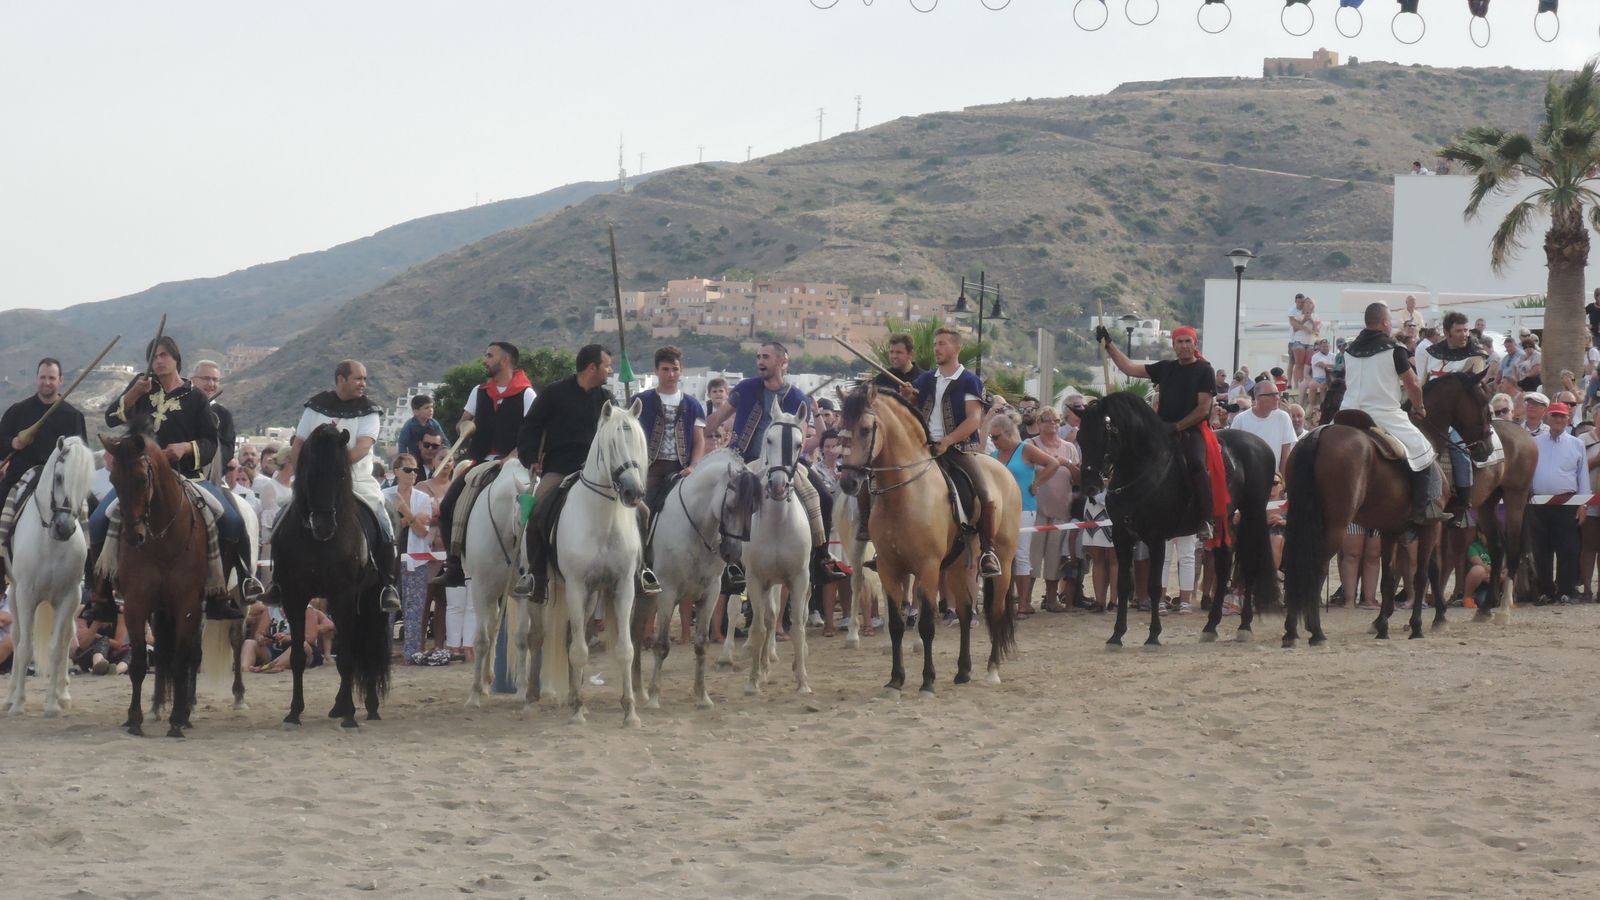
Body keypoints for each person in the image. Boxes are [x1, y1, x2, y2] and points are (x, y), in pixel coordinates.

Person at [86, 336, 251, 622]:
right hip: (139, 479)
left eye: (163, 355)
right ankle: (102, 595)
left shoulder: (196, 397)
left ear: (176, 359)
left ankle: (222, 591)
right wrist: (133, 394)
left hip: (188, 476)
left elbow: (211, 442)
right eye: (153, 356)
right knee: (99, 520)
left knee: (232, 521)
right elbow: (112, 417)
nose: (158, 361)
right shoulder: (141, 388)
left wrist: (186, 448)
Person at [512, 345, 664, 602]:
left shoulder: (607, 398)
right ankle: (535, 577)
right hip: (561, 468)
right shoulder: (554, 393)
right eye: (607, 365)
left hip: (602, 474)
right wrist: (530, 457)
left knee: (643, 511)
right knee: (538, 510)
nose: (610, 370)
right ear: (592, 367)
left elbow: (619, 433)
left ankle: (642, 570)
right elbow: (531, 426)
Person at [704, 341, 849, 584]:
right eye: (759, 356)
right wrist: (712, 428)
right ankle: (724, 562)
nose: (760, 361)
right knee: (719, 498)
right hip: (745, 459)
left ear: (783, 362)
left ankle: (821, 558)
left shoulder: (797, 397)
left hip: (785, 464)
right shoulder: (746, 388)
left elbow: (801, 440)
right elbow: (713, 422)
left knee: (822, 498)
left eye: (766, 357)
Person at [281, 360, 401, 612]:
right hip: (315, 484)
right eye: (358, 378)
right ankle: (279, 580)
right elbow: (299, 444)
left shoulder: (369, 411)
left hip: (356, 482)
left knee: (384, 519)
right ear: (340, 379)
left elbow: (362, 447)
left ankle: (387, 583)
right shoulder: (315, 407)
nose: (363, 384)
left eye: (364, 379)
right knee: (284, 517)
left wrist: (330, 468)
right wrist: (304, 474)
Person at [1098, 323, 1222, 541]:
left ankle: (1204, 518)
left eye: (1188, 341)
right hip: (1162, 430)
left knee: (1195, 462)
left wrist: (1176, 427)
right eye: (1179, 342)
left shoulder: (1205, 370)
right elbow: (1128, 368)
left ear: (1195, 344)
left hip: (1191, 431)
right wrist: (1109, 344)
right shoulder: (1165, 368)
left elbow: (1203, 409)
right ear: (1173, 345)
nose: (1184, 346)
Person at [433, 342, 536, 587]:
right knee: (447, 507)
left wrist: (511, 456)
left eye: (490, 356)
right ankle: (455, 564)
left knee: (538, 507)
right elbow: (464, 421)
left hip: (514, 464)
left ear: (506, 361)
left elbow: (532, 432)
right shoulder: (478, 391)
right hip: (481, 463)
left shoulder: (527, 394)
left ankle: (537, 566)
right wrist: (463, 427)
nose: (485, 360)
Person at [1338, 302, 1443, 524]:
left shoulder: (1348, 350)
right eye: (1390, 321)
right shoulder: (1394, 349)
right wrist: (1419, 407)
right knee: (1423, 451)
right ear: (1385, 323)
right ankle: (1420, 511)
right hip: (1382, 414)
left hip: (1346, 413)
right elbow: (1413, 384)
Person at [636, 345, 708, 643]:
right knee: (643, 512)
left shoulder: (692, 404)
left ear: (681, 370)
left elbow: (699, 440)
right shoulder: (641, 401)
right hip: (650, 470)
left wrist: (693, 465)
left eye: (675, 369)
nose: (670, 374)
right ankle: (641, 560)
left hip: (681, 470)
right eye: (665, 369)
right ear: (657, 371)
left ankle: (716, 564)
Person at [0, 358, 89, 582]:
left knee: (94, 515)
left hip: (61, 485)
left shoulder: (73, 416)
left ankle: (95, 585)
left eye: (51, 378)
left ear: (61, 381)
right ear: (36, 379)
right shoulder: (17, 411)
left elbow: (81, 454)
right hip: (21, 479)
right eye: (43, 377)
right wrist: (14, 444)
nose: (46, 382)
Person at [988, 413, 1060, 617]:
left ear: (1008, 433)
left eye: (997, 436)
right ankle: (1003, 600)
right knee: (1000, 554)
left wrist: (1037, 483)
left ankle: (1024, 602)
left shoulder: (1025, 449)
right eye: (992, 437)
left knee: (1021, 553)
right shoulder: (993, 455)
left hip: (1023, 506)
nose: (994, 441)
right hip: (1000, 508)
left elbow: (1053, 463)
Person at [1422, 311, 1492, 519]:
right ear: (1446, 332)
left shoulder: (1476, 354)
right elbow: (1420, 382)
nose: (1464, 334)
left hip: (1458, 416)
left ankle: (1462, 503)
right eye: (1459, 330)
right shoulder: (1428, 352)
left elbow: (1475, 390)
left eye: (1466, 330)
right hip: (1427, 410)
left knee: (1459, 450)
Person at [1529, 402, 1586, 604]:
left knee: (1568, 549)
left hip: (1567, 503)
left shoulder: (1576, 444)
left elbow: (1582, 476)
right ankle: (1545, 591)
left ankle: (1565, 590)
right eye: (1555, 416)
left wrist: (1583, 504)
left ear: (1568, 419)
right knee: (1541, 549)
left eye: (1562, 416)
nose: (1558, 420)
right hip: (1539, 504)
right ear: (1548, 417)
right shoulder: (1535, 442)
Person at [1026, 406, 1080, 613]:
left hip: (1061, 507)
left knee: (1054, 556)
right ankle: (1025, 598)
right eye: (1047, 420)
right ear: (1038, 423)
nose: (1053, 424)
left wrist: (1066, 463)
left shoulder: (1069, 447)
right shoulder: (1031, 445)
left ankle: (1051, 598)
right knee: (1032, 555)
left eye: (1056, 420)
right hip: (1036, 507)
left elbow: (1078, 479)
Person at [383, 452, 434, 664]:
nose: (413, 474)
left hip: (415, 559)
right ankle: (382, 653)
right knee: (386, 609)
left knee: (415, 608)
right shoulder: (383, 495)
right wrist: (411, 519)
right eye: (408, 470)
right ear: (396, 472)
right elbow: (387, 529)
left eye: (415, 470)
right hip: (389, 559)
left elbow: (423, 532)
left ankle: (411, 653)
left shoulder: (422, 498)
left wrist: (405, 514)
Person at [1229, 379, 1297, 482]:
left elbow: (1285, 456)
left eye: (1277, 394)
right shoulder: (1240, 419)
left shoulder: (1283, 417)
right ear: (1258, 398)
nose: (1277, 398)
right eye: (1272, 395)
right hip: (1248, 480)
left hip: (1274, 481)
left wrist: (1284, 484)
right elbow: (1232, 455)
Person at [190, 359, 235, 483]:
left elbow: (228, 448)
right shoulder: (182, 407)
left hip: (211, 480)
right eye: (206, 378)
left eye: (215, 380)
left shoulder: (224, 415)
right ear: (193, 381)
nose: (211, 384)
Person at [396, 394, 445, 459]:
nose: (430, 410)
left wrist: (446, 453)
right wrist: (405, 460)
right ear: (416, 412)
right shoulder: (409, 426)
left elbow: (444, 440)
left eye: (431, 407)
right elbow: (402, 444)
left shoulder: (434, 424)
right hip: (415, 457)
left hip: (430, 455)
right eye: (426, 408)